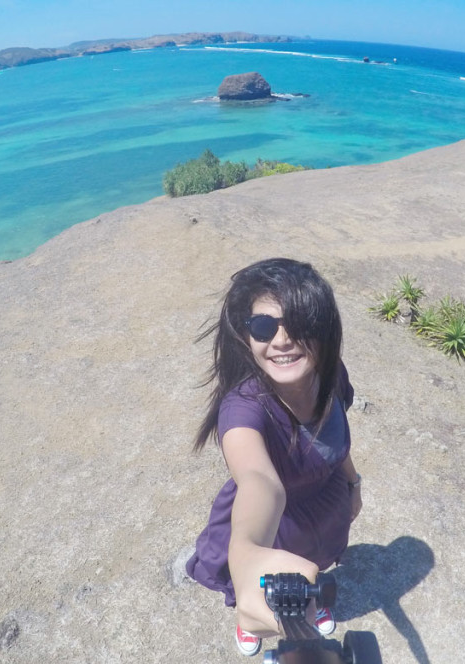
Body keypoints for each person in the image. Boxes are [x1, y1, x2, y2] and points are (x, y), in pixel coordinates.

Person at [185, 257, 363, 657]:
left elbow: (335, 442)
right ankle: (247, 621)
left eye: (300, 324)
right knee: (269, 588)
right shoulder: (242, 409)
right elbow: (259, 481)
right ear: (246, 334)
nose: (282, 340)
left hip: (325, 507)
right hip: (276, 525)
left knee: (312, 569)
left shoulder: (332, 375)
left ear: (325, 328)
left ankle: (313, 605)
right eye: (264, 327)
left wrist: (353, 483)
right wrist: (247, 553)